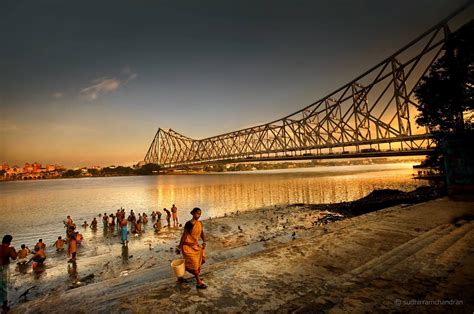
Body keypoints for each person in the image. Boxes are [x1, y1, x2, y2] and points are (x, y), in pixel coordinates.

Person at [178, 208, 207, 289]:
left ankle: (180, 275)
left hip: (195, 246)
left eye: (200, 213)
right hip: (187, 246)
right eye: (197, 213)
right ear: (193, 213)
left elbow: (202, 233)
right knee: (194, 264)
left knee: (201, 260)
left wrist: (204, 242)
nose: (199, 215)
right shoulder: (188, 224)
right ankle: (198, 282)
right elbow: (184, 235)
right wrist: (179, 247)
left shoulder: (200, 223)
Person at [1, 235, 18, 312]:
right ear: (9, 242)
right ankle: (4, 305)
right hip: (4, 268)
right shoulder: (9, 249)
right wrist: (14, 251)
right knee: (3, 287)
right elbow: (14, 257)